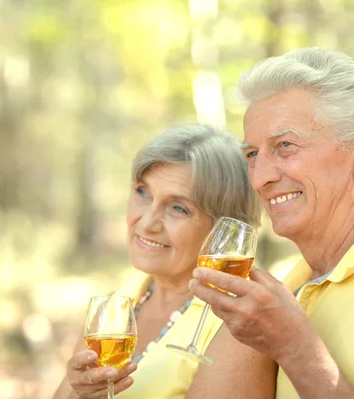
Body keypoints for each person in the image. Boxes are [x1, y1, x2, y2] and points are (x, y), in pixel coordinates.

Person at [189, 47, 354, 398]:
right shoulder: (290, 282)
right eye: (252, 154)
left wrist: (295, 347)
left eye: (285, 145)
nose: (260, 178)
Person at [53, 124, 277, 399]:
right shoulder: (119, 305)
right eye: (142, 192)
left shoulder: (238, 325)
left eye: (178, 208)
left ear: (223, 229)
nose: (147, 223)